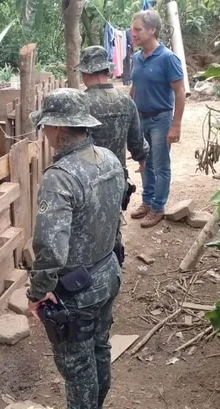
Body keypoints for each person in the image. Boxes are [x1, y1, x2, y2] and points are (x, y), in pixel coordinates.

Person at [26, 88, 125, 409]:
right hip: (107, 272)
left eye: (46, 127)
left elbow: (50, 247)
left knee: (77, 365)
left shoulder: (61, 177)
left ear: (56, 128)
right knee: (99, 347)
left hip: (76, 289)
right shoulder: (110, 160)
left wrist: (38, 292)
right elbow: (116, 215)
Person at [78, 45, 148, 266]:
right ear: (106, 71)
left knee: (85, 226)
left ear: (86, 72)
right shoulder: (126, 101)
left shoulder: (81, 104)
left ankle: (90, 270)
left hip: (85, 179)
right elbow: (136, 140)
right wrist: (141, 159)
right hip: (116, 176)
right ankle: (113, 265)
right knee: (113, 221)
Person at [129, 9, 187, 228]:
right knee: (144, 162)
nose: (133, 33)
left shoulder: (168, 58)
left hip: (160, 119)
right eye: (132, 29)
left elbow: (180, 92)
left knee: (161, 165)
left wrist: (176, 125)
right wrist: (129, 111)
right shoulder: (136, 58)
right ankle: (147, 201)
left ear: (152, 30)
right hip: (140, 118)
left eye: (138, 29)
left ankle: (158, 207)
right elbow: (135, 87)